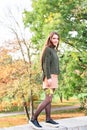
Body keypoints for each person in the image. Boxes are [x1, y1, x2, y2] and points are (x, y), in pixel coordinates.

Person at [29, 32, 60, 129]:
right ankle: (33, 119)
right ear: (50, 39)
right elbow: (45, 65)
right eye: (54, 38)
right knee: (48, 99)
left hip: (54, 77)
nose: (56, 40)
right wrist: (49, 77)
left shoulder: (53, 50)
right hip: (49, 77)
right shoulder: (47, 49)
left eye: (57, 38)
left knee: (49, 99)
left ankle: (48, 119)